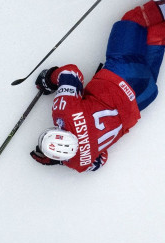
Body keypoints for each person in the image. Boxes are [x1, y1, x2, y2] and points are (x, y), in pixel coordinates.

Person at [31, 1, 165, 172]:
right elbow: (72, 74)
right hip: (124, 73)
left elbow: (100, 160)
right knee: (134, 20)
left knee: (156, 35)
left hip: (145, 96)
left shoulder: (79, 163)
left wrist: (62, 160)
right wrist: (49, 79)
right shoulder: (65, 112)